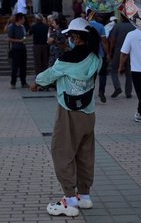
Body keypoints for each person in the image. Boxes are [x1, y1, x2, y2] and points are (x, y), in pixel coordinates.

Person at [35, 18, 101, 217]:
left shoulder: (65, 60)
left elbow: (45, 77)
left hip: (68, 112)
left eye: (70, 35)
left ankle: (69, 200)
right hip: (88, 112)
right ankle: (84, 195)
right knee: (85, 154)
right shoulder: (95, 58)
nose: (69, 39)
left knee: (63, 151)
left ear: (75, 37)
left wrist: (36, 82)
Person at [107, 15, 135, 99]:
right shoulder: (134, 27)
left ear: (122, 18)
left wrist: (111, 50)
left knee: (114, 70)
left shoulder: (117, 26)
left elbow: (113, 40)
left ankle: (117, 87)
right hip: (131, 52)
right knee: (129, 73)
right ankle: (128, 92)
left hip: (118, 52)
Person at [8, 13, 29, 89]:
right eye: (23, 19)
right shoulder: (12, 27)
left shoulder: (22, 27)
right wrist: (19, 40)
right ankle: (13, 82)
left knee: (23, 66)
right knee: (15, 66)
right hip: (15, 48)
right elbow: (9, 38)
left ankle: (23, 82)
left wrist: (24, 39)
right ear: (20, 19)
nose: (24, 20)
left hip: (23, 48)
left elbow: (25, 35)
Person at [31, 15, 50, 88]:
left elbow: (29, 33)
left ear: (36, 19)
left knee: (38, 64)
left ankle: (39, 80)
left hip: (37, 46)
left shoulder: (34, 26)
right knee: (45, 63)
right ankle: (45, 81)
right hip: (45, 46)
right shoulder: (46, 27)